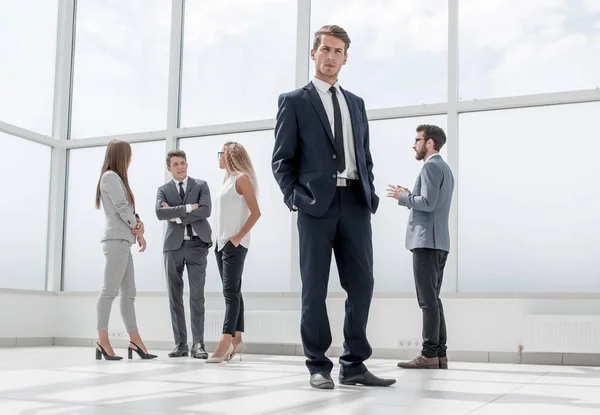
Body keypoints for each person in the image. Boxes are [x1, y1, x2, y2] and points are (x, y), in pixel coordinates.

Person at [271, 24, 396, 389]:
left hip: (355, 202)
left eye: (337, 51)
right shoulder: (294, 101)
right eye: (324, 49)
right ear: (314, 53)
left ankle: (354, 364)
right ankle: (317, 365)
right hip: (315, 206)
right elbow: (282, 160)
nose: (330, 57)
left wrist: (369, 192)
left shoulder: (355, 103)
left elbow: (364, 156)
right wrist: (296, 198)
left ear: (345, 57)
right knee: (314, 288)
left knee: (362, 285)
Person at [387, 124, 455, 370]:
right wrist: (411, 194)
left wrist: (402, 197)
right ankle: (439, 354)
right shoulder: (444, 169)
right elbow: (431, 201)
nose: (413, 144)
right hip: (439, 242)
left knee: (427, 302)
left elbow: (426, 204)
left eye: (417, 140)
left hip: (426, 241)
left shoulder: (430, 167)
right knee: (434, 300)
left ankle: (428, 355)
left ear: (430, 143)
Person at [95, 139, 157, 361]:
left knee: (128, 294)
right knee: (109, 292)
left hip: (124, 241)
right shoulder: (110, 177)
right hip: (116, 241)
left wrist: (138, 228)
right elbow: (122, 208)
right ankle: (102, 339)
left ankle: (135, 340)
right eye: (128, 155)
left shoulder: (117, 179)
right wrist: (137, 228)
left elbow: (129, 210)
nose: (130, 159)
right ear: (121, 156)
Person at [206, 142, 261, 363]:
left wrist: (237, 238)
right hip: (220, 243)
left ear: (230, 156)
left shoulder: (242, 179)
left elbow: (256, 213)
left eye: (221, 154)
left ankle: (224, 341)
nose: (218, 158)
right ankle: (237, 340)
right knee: (234, 292)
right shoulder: (226, 182)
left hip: (234, 244)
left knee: (230, 293)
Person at [156, 149, 212, 359]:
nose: (181, 167)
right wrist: (189, 207)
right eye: (176, 164)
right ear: (169, 168)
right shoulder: (163, 190)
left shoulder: (201, 185)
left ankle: (198, 344)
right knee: (175, 297)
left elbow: (205, 210)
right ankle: (180, 344)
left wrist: (177, 215)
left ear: (187, 165)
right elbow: (160, 213)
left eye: (183, 163)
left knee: (197, 296)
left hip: (198, 246)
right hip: (173, 247)